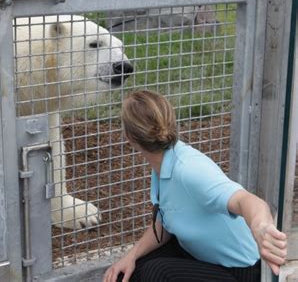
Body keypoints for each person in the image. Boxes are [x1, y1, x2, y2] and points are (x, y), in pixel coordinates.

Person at [103, 90, 287, 282]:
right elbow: (166, 223)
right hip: (201, 257)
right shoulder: (162, 163)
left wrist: (261, 227)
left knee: (156, 273)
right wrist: (131, 256)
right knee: (127, 275)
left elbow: (245, 200)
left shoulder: (190, 170)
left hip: (242, 273)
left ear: (129, 137)